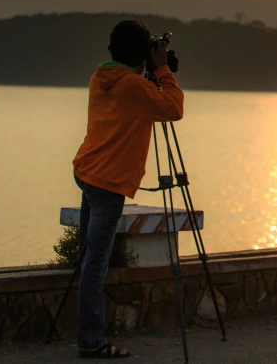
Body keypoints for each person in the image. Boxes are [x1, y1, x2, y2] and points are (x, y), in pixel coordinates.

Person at [72, 20, 184, 359]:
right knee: (96, 262)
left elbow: (141, 97)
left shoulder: (101, 78)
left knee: (87, 256)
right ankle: (91, 341)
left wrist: (152, 71)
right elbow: (174, 108)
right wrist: (162, 69)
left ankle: (85, 333)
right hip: (108, 182)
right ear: (140, 54)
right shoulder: (135, 87)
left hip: (87, 172)